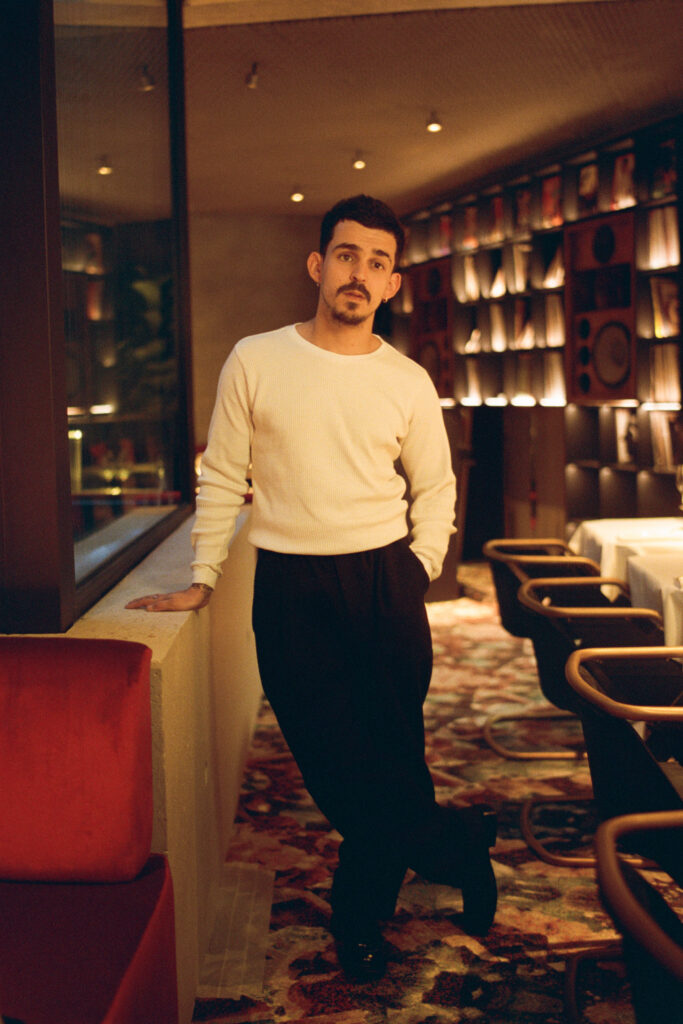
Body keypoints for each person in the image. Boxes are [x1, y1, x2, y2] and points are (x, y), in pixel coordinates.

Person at [126, 194, 497, 980]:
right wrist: (202, 578)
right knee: (336, 771)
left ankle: (356, 922)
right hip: (289, 590)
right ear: (317, 264)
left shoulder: (406, 381)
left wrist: (413, 567)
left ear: (392, 283)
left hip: (382, 584)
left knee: (394, 762)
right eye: (346, 254)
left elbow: (435, 488)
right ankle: (460, 849)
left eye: (377, 262)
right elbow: (223, 474)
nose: (359, 273)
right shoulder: (255, 359)